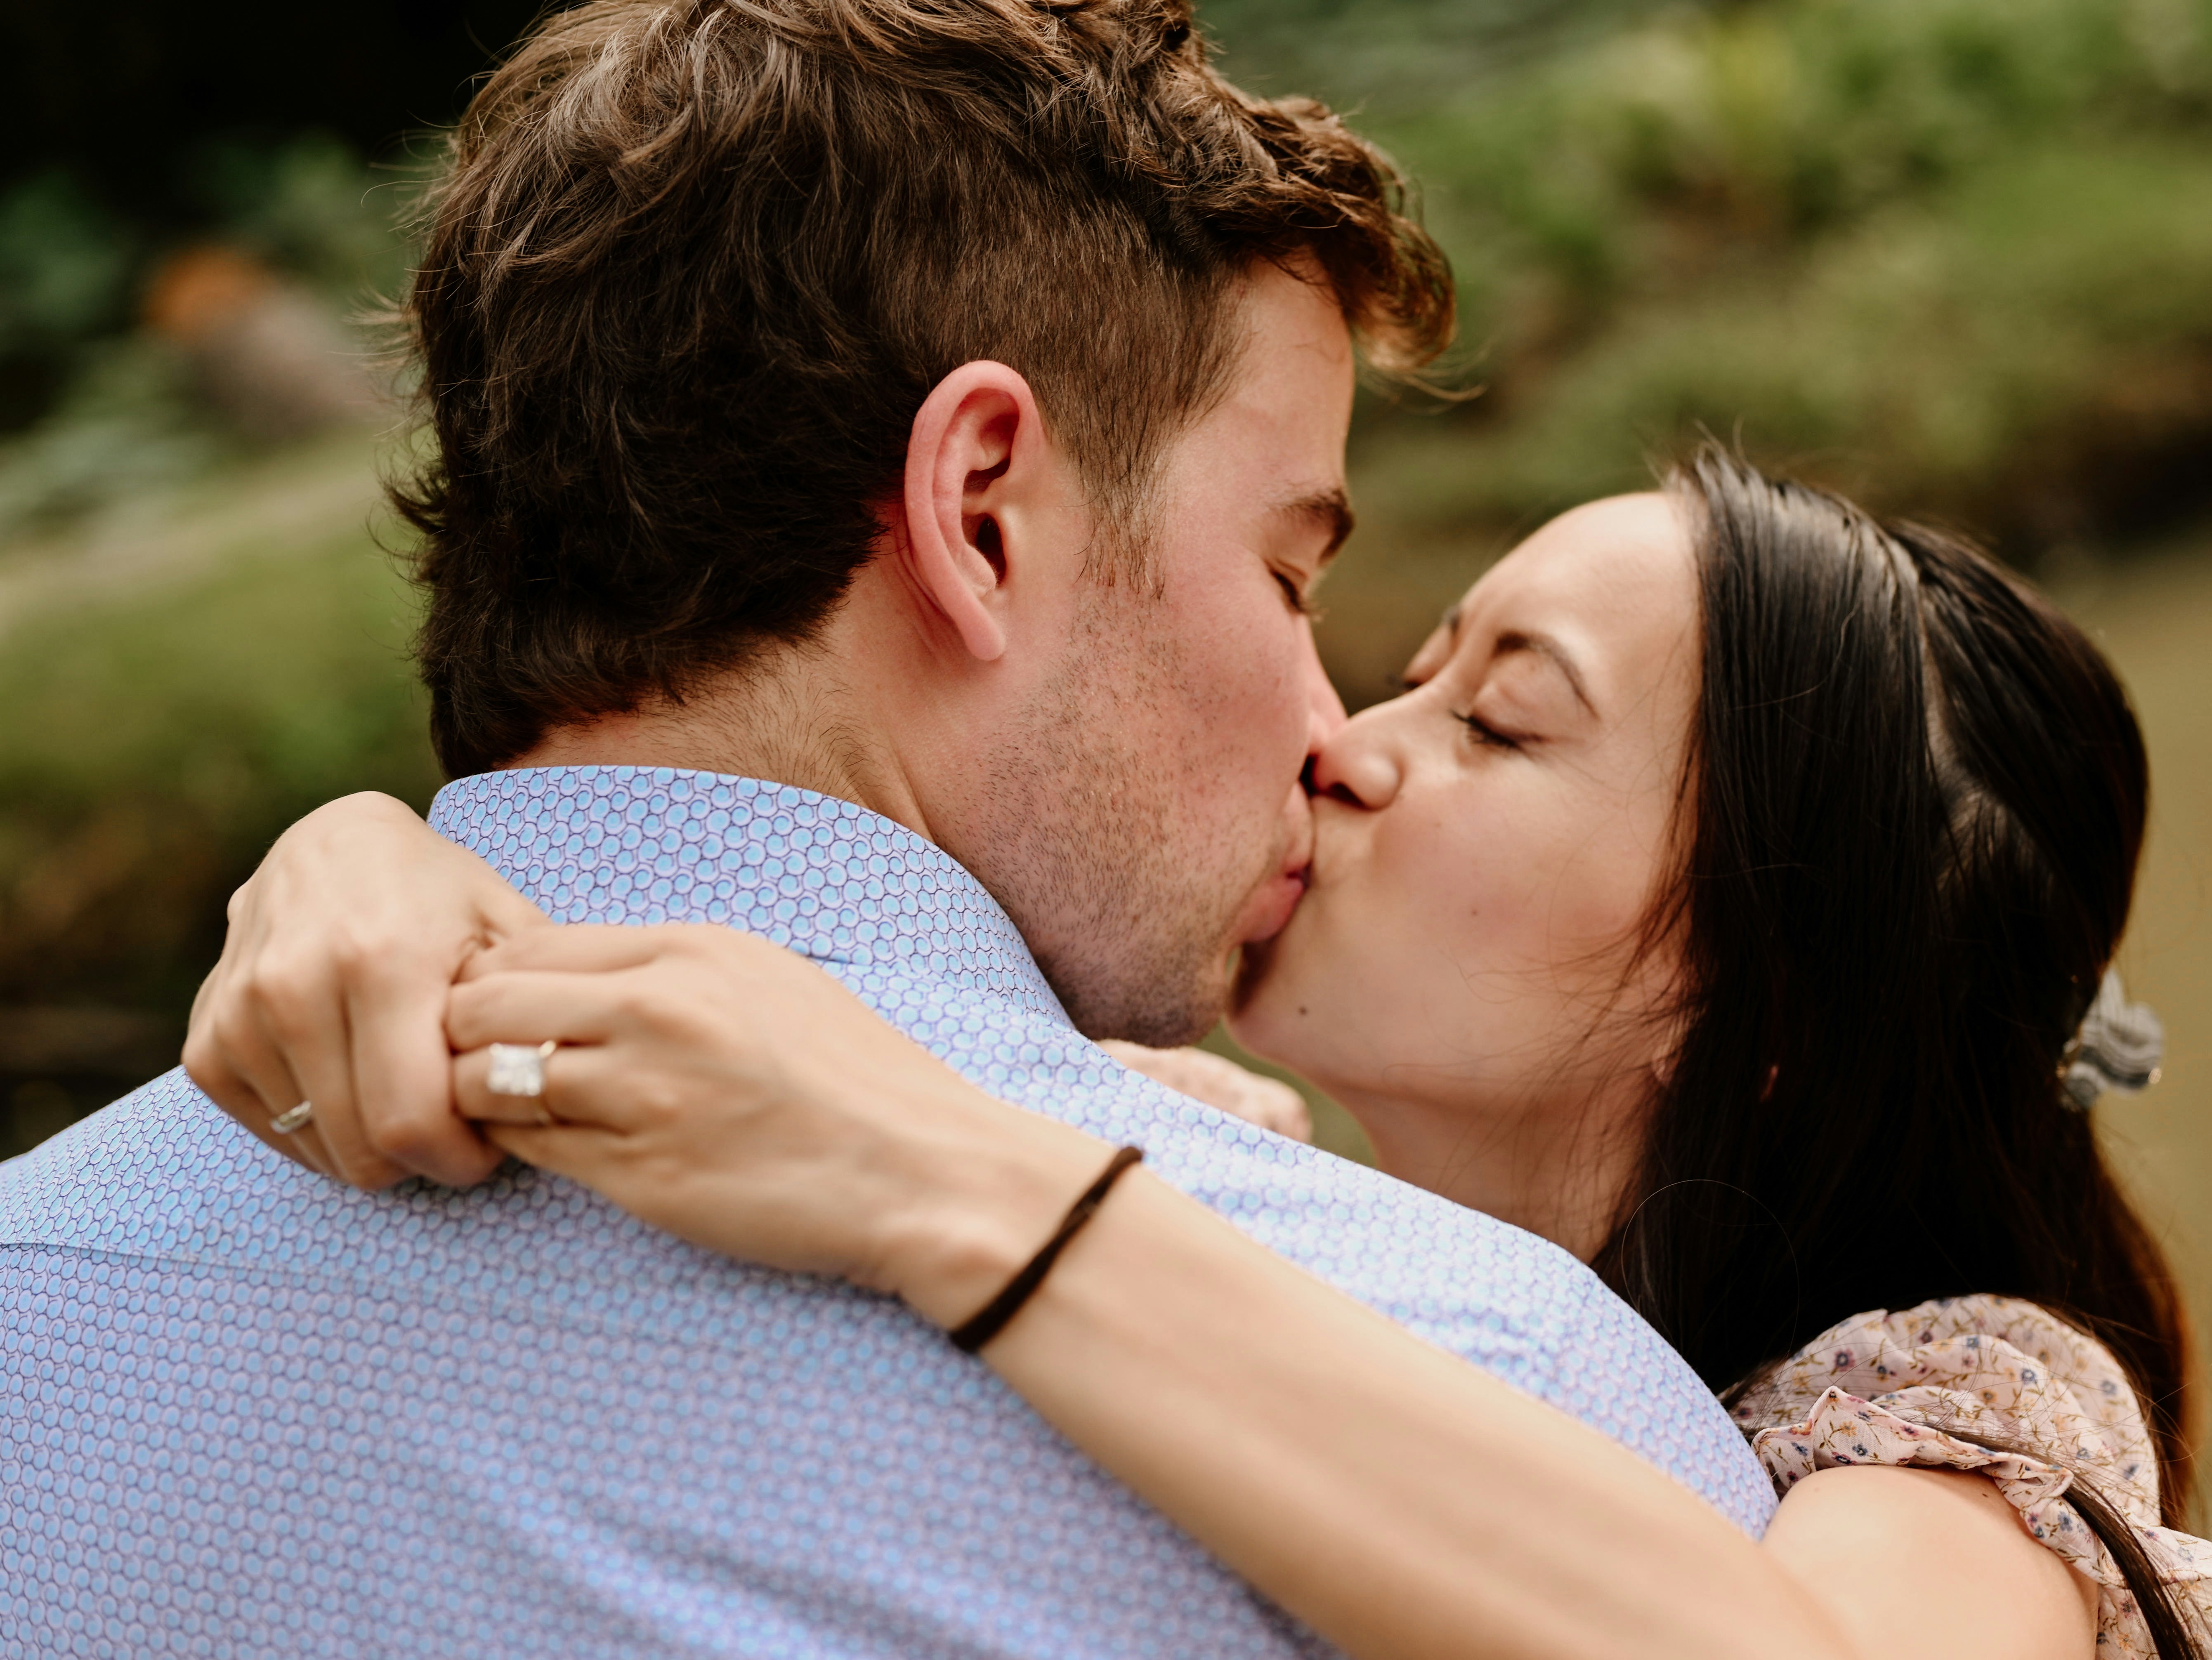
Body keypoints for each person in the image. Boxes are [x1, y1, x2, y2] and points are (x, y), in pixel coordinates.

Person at [0, 3, 1777, 1655]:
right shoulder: (1508, 1433)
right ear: (980, 514)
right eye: (1287, 571)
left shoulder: (39, 1281)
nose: (1330, 731)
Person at [182, 457, 2212, 1660]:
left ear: (1773, 1001)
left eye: (1501, 721)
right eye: (1414, 666)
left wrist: (946, 1182)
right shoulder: (1240, 1185)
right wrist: (372, 864)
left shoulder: (1976, 1403)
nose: (1343, 739)